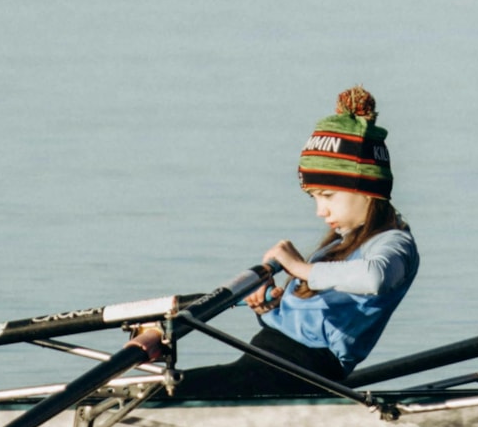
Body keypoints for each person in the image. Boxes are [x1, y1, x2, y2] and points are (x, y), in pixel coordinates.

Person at [163, 86, 421, 401]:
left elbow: (376, 278)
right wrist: (271, 306)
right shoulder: (341, 243)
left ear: (368, 190)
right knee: (155, 389)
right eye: (315, 198)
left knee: (166, 393)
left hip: (302, 369)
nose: (320, 211)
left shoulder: (394, 243)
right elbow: (307, 314)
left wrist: (300, 268)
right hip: (266, 358)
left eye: (327, 196)